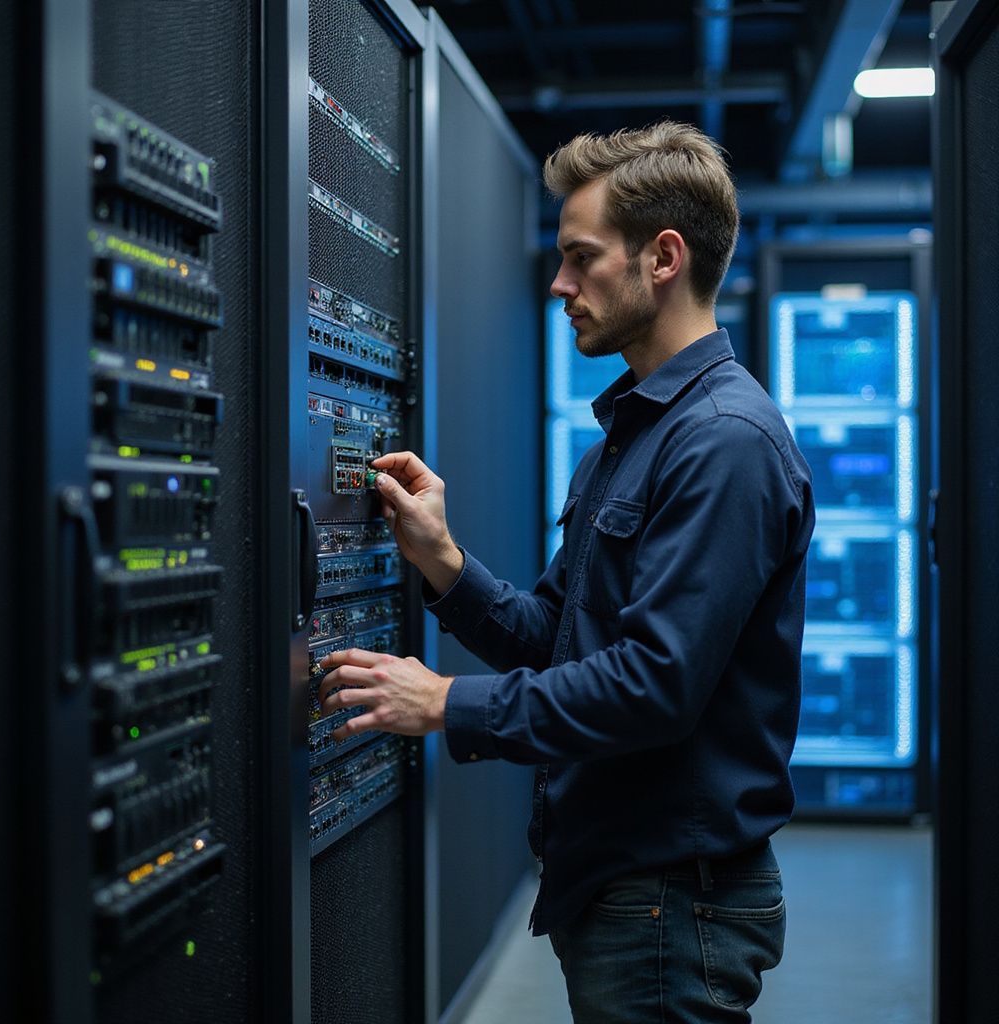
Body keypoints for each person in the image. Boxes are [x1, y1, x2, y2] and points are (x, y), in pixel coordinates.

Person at [318, 121, 815, 1023]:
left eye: (582, 258)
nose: (559, 284)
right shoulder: (636, 437)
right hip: (626, 886)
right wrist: (444, 559)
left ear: (663, 258)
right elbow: (562, 641)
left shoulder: (725, 445)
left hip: (670, 897)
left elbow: (654, 686)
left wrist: (447, 704)